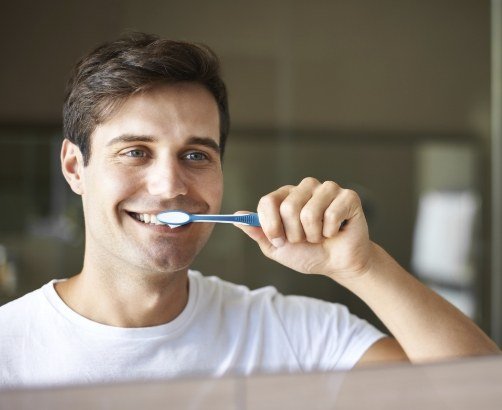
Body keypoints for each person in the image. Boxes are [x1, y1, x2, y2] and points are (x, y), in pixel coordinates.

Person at [0, 32, 498, 389]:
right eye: (135, 151)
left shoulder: (291, 335)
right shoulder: (9, 350)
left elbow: (481, 395)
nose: (171, 185)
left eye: (196, 155)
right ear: (74, 167)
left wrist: (363, 267)